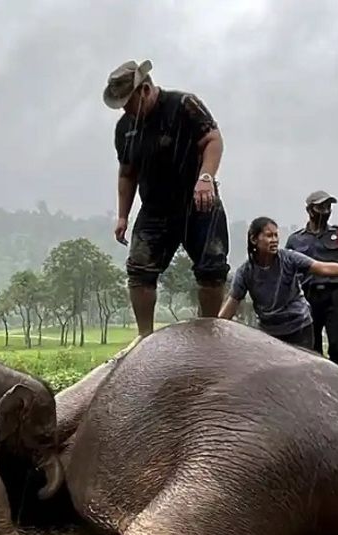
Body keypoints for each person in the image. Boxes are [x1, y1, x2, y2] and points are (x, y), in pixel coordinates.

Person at [104, 59, 229, 336]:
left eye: (129, 102)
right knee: (139, 270)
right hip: (156, 206)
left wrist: (205, 178)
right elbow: (127, 174)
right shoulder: (125, 128)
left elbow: (213, 139)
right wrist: (123, 215)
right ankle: (144, 337)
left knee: (212, 269)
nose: (125, 109)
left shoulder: (184, 104)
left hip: (198, 200)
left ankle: (210, 331)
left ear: (145, 90)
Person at [220, 217, 338, 349]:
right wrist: (214, 329)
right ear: (254, 239)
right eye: (268, 236)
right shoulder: (246, 272)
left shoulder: (288, 258)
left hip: (299, 327)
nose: (274, 240)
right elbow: (232, 304)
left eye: (276, 236)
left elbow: (324, 268)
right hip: (269, 332)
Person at [285, 190, 338, 369]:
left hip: (335, 295)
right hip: (307, 297)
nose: (325, 210)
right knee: (309, 348)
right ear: (309, 210)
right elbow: (286, 273)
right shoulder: (295, 240)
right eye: (321, 207)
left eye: (328, 206)